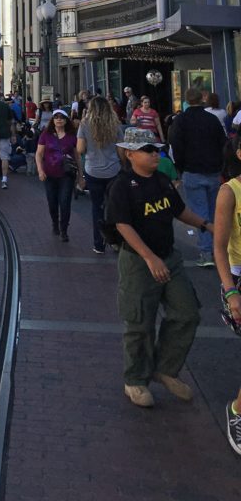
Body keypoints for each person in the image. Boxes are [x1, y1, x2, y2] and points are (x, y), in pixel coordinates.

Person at [105, 126, 210, 408]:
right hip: (138, 262)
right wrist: (149, 257)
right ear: (130, 154)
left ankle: (165, 368)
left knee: (187, 312)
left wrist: (204, 224)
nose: (155, 154)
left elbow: (178, 210)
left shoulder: (162, 180)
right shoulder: (122, 186)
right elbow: (122, 225)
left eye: (157, 150)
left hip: (170, 258)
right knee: (139, 323)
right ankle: (135, 380)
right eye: (148, 150)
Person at [169, 86, 227, 267]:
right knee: (214, 211)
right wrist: (220, 167)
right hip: (212, 171)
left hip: (192, 171)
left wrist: (180, 168)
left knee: (200, 212)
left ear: (186, 100)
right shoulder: (212, 119)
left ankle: (207, 252)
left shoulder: (181, 121)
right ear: (201, 99)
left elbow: (176, 146)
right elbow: (223, 145)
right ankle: (219, 249)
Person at [213, 138, 241, 454]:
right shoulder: (229, 191)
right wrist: (231, 291)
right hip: (237, 277)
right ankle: (237, 411)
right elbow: (219, 247)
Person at [77, 96, 122, 254]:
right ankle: (115, 241)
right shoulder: (115, 124)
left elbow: (80, 149)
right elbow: (120, 150)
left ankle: (98, 243)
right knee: (114, 207)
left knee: (97, 207)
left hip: (93, 170)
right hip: (113, 170)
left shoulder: (84, 124)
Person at [36, 110, 81, 242]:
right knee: (52, 202)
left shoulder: (72, 136)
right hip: (49, 174)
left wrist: (81, 175)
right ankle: (55, 223)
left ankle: (64, 230)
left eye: (62, 118)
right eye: (56, 117)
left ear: (66, 120)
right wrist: (40, 170)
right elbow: (39, 153)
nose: (59, 120)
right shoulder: (46, 134)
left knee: (65, 202)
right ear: (53, 120)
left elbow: (77, 156)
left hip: (66, 174)